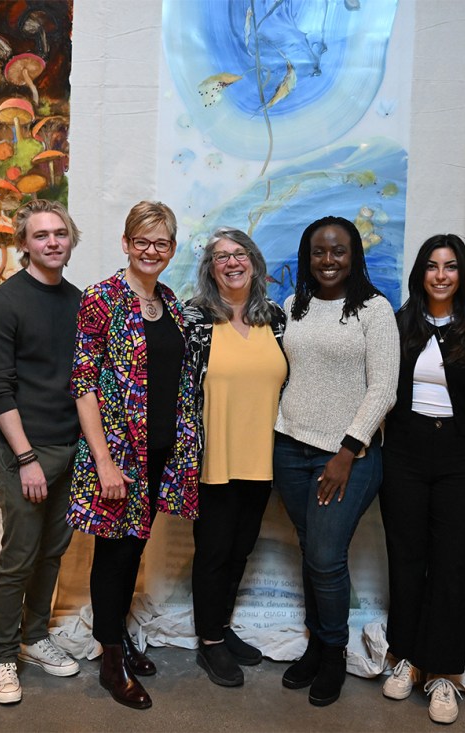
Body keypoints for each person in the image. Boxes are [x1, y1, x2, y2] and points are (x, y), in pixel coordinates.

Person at [67, 200, 200, 710]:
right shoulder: (102, 298)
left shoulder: (168, 300)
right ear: (125, 243)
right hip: (119, 454)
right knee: (115, 555)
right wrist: (104, 461)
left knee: (135, 548)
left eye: (161, 242)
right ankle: (110, 658)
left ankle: (116, 639)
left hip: (162, 452)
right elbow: (82, 382)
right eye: (142, 240)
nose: (151, 250)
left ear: (171, 249)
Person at [274, 215, 399, 707]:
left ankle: (333, 654)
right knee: (311, 551)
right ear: (308, 256)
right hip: (288, 447)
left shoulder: (374, 309)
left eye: (339, 251)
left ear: (354, 257)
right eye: (319, 252)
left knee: (326, 559)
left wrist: (348, 450)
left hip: (347, 455)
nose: (328, 260)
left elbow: (383, 388)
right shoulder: (293, 306)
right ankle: (316, 644)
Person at [380, 233, 465, 725]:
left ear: (462, 274)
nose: (440, 275)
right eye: (432, 266)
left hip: (462, 461)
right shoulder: (400, 325)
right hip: (406, 457)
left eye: (450, 266)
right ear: (421, 273)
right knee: (407, 561)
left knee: (453, 568)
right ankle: (405, 658)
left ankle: (444, 675)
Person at [0, 200, 83, 704]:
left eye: (60, 233)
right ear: (23, 244)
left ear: (71, 238)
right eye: (41, 236)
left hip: (72, 447)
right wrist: (25, 459)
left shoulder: (80, 301)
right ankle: (1, 657)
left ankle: (36, 636)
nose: (52, 242)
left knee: (53, 551)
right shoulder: (4, 303)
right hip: (28, 450)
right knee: (19, 556)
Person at [182, 227, 287, 687]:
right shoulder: (195, 320)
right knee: (214, 551)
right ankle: (209, 644)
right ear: (210, 268)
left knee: (241, 548)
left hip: (263, 457)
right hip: (214, 459)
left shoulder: (277, 319)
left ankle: (221, 628)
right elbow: (180, 390)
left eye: (238, 253)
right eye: (220, 256)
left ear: (254, 262)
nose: (231, 262)